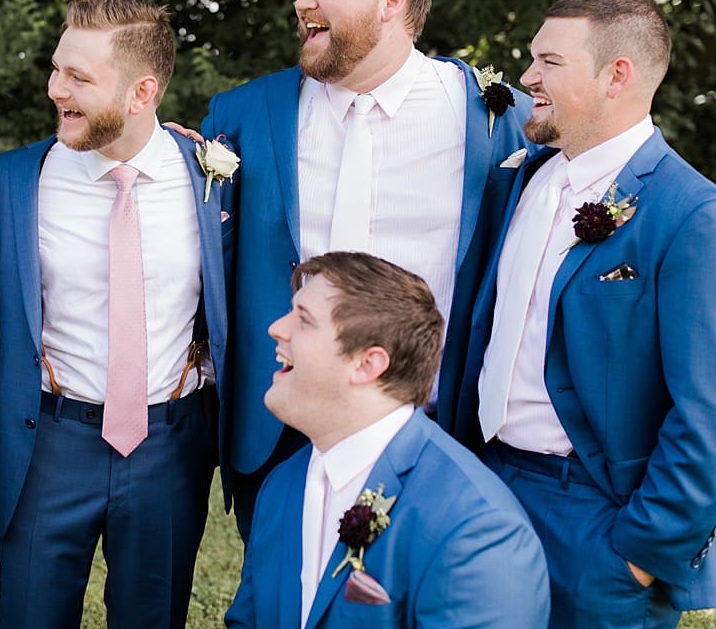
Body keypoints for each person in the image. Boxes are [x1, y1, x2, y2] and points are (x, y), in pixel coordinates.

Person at [201, 0, 535, 538]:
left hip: (432, 428)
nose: (302, 1)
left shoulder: (492, 120)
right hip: (283, 432)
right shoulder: (243, 114)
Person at [440, 0, 716, 627]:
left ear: (616, 75)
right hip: (485, 485)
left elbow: (706, 413)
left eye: (550, 62)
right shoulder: (520, 177)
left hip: (593, 518)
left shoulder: (690, 213)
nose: (528, 77)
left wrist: (637, 555)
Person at [0, 0, 233, 628]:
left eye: (79, 77)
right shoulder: (10, 183)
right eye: (57, 67)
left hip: (171, 446)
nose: (54, 87)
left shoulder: (216, 179)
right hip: (50, 441)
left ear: (142, 92)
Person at [227, 252, 549, 628]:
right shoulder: (283, 485)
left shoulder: (479, 534)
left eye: (304, 320)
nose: (277, 328)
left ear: (367, 364)